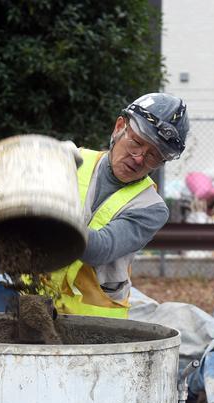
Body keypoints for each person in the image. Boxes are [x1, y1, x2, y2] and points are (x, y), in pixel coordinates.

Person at [51, 92, 188, 317]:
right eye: (136, 143)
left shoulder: (151, 208)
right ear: (119, 127)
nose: (139, 159)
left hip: (97, 331)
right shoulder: (72, 162)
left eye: (154, 156)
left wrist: (45, 211)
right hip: (33, 307)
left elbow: (100, 249)